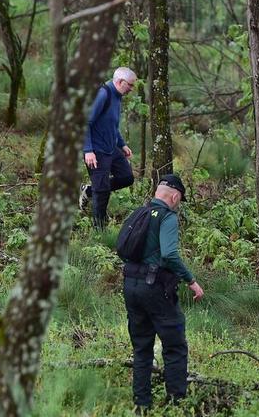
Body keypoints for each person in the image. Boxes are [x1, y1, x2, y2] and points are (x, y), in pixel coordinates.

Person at [120, 174, 204, 413]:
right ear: (175, 197)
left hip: (131, 286)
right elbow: (169, 254)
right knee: (175, 345)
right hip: (155, 289)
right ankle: (177, 404)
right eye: (179, 201)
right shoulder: (168, 217)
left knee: (141, 348)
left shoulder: (140, 213)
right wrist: (191, 281)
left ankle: (142, 405)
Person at [78, 67, 138, 229]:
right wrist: (88, 151)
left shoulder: (118, 96)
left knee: (126, 177)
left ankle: (88, 191)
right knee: (102, 190)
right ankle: (99, 229)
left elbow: (112, 125)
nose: (132, 89)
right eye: (130, 85)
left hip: (111, 148)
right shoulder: (103, 94)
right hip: (96, 150)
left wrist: (122, 144)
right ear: (120, 82)